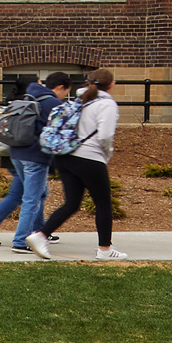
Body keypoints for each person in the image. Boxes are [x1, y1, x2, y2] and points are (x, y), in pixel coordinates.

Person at [0, 72, 70, 256]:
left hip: (16, 153)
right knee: (31, 199)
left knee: (36, 194)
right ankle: (20, 241)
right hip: (36, 157)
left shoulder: (26, 98)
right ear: (61, 88)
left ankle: (40, 231)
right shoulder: (52, 103)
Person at [40, 68, 122, 259]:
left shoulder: (79, 100)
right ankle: (105, 249)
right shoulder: (106, 104)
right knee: (103, 204)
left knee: (72, 203)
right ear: (111, 85)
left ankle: (40, 235)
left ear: (89, 82)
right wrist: (107, 153)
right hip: (90, 157)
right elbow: (105, 135)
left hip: (65, 155)